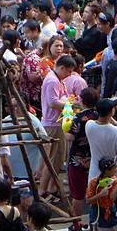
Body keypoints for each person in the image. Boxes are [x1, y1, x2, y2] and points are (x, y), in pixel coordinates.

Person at [39, 55, 76, 198]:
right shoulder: (52, 81)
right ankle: (43, 189)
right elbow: (52, 102)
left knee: (58, 158)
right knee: (54, 159)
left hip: (57, 122)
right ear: (62, 68)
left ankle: (51, 187)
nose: (68, 75)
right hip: (52, 123)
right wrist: (70, 105)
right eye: (68, 72)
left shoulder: (57, 79)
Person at [65, 87, 99, 225]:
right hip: (94, 157)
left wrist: (64, 126)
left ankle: (76, 223)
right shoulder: (98, 115)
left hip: (77, 160)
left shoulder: (78, 118)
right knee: (95, 191)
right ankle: (95, 219)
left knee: (77, 195)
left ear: (83, 101)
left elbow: (69, 137)